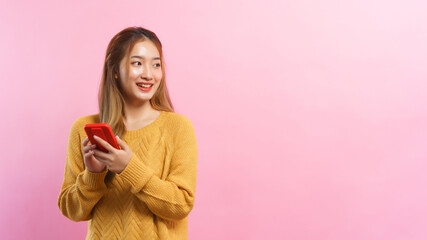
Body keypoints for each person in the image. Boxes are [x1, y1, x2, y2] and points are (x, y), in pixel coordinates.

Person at [57, 26, 198, 240]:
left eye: (156, 64)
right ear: (115, 70)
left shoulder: (178, 127)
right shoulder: (84, 129)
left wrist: (128, 167)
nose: (149, 74)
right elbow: (72, 210)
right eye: (137, 63)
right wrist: (93, 174)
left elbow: (181, 204)